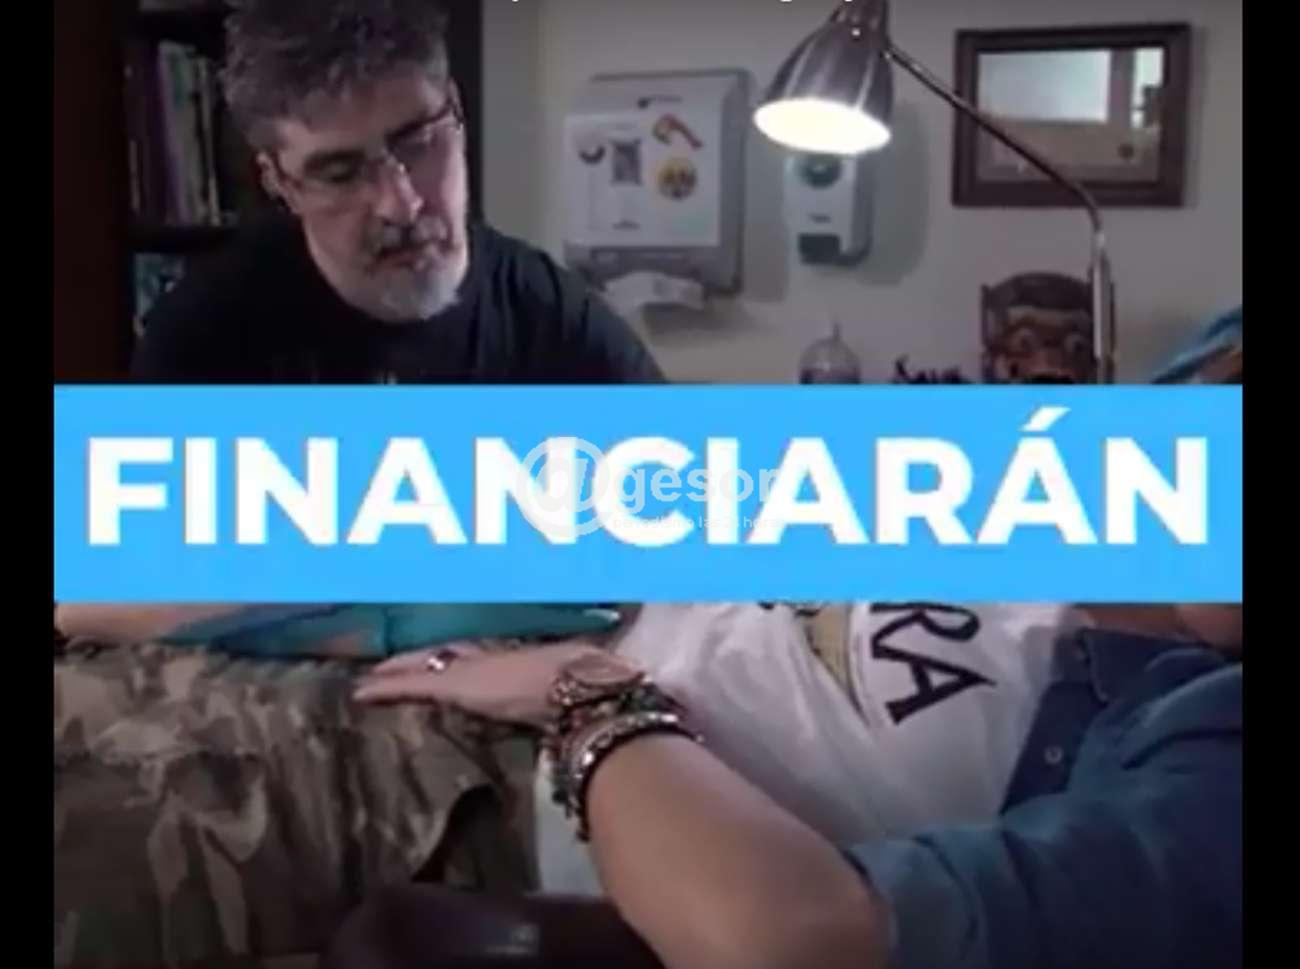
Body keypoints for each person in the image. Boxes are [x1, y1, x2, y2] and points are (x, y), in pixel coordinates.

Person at [344, 601, 1242, 969]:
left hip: (499, 781)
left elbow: (785, 937)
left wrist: (587, 695)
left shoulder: (1201, 744)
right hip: (537, 637)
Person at [130, 0, 662, 385]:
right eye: (341, 173)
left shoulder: (558, 325)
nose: (401, 204)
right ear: (279, 183)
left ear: (457, 110)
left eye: (419, 144)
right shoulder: (202, 341)